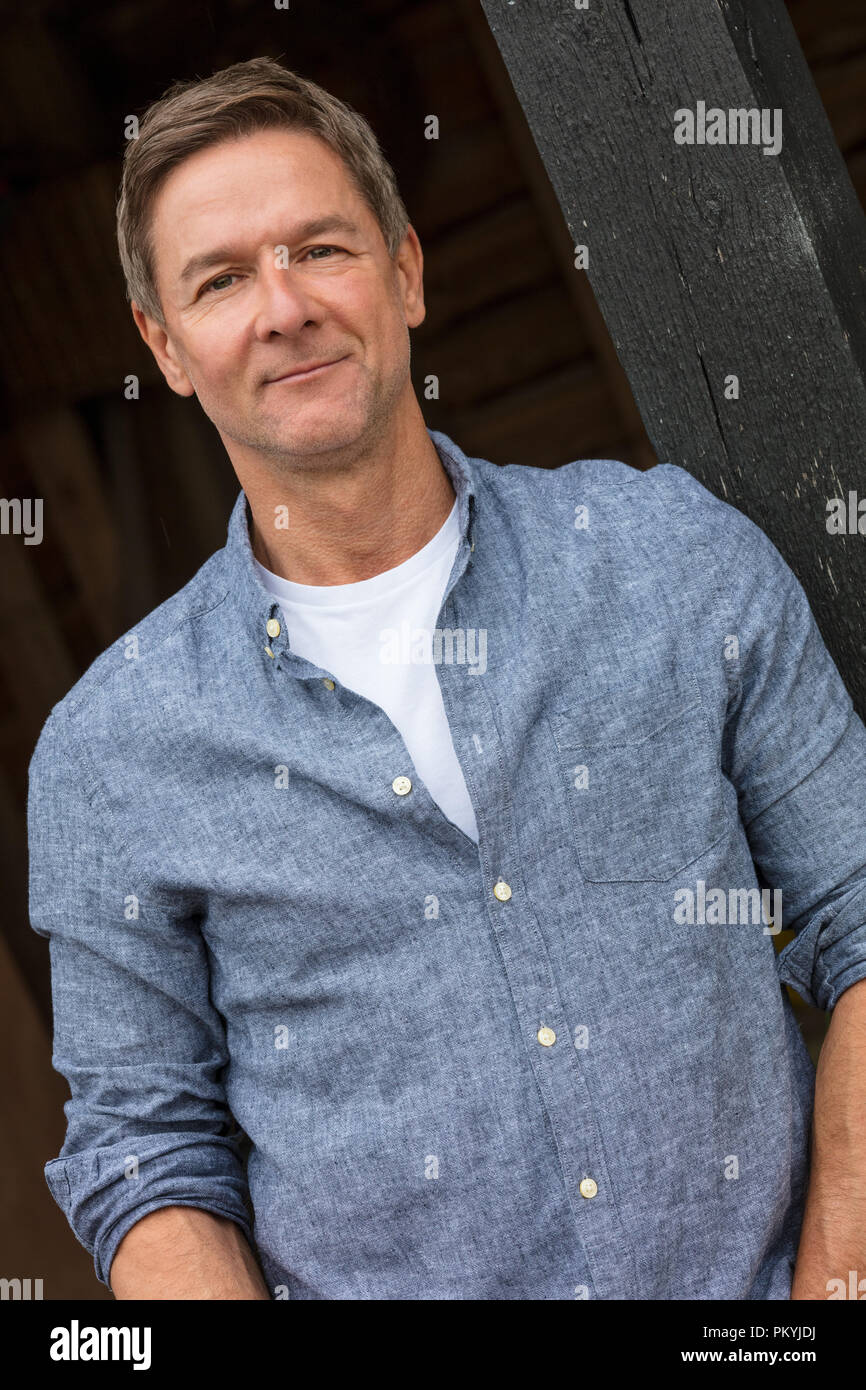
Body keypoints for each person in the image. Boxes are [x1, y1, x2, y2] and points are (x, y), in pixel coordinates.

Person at [28, 56, 866, 1301]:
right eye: (220, 280)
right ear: (167, 346)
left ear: (406, 272)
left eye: (321, 249)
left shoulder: (667, 563)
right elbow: (145, 1159)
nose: (283, 307)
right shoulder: (112, 755)